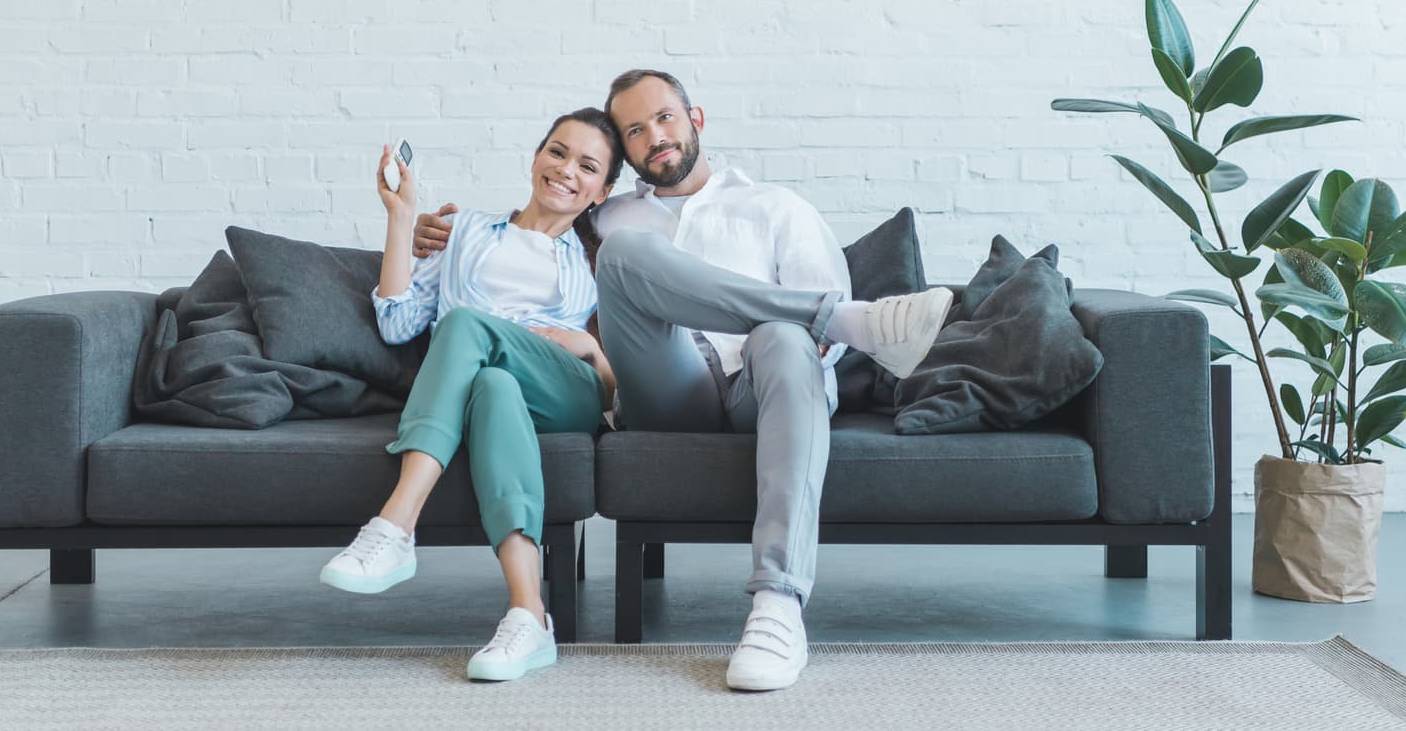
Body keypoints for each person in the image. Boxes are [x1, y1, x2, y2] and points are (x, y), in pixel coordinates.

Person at [413, 71, 952, 691]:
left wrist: (800, 328)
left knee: (784, 335)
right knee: (625, 254)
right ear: (624, 155)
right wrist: (441, 235)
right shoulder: (609, 217)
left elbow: (817, 355)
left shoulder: (775, 206)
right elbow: (538, 233)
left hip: (762, 384)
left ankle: (778, 606)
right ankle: (850, 319)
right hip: (666, 389)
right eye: (635, 130)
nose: (654, 137)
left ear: (696, 120)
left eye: (665, 118)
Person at [320, 108, 624, 683]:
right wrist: (402, 217)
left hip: (568, 388)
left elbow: (623, 386)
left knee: (464, 325)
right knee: (491, 383)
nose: (565, 170)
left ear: (602, 190)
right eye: (557, 152)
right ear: (535, 157)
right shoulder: (464, 230)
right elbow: (398, 321)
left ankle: (396, 523)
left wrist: (588, 345)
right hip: (496, 384)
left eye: (587, 166)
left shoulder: (602, 262)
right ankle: (529, 614)